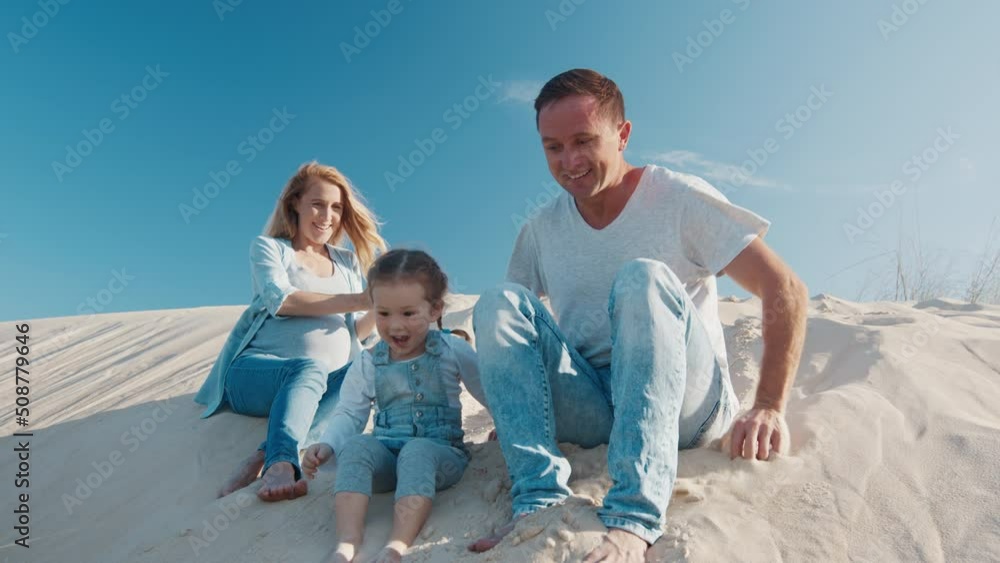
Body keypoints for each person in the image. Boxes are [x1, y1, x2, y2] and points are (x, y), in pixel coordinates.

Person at [468, 69, 808, 562]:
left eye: (584, 140)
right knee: (497, 300)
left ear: (623, 134)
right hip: (594, 405)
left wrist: (770, 404)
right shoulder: (541, 230)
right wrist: (517, 407)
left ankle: (635, 515)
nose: (570, 161)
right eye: (553, 147)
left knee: (641, 279)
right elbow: (513, 333)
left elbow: (786, 287)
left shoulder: (679, 197)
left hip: (686, 406)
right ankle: (537, 501)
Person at [194, 161, 387, 502]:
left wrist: (378, 305)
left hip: (319, 385)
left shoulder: (347, 262)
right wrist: (361, 296)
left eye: (337, 207)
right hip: (255, 373)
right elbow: (279, 300)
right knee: (308, 368)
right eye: (317, 203)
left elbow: (356, 332)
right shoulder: (270, 249)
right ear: (294, 203)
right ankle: (281, 463)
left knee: (369, 366)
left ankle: (262, 453)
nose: (327, 215)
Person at [301, 249, 485, 563]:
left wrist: (506, 429)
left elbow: (488, 391)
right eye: (383, 314)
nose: (395, 325)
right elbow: (350, 411)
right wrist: (329, 444)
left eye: (408, 313)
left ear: (434, 309)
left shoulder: (451, 349)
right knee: (357, 446)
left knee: (417, 451)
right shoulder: (369, 360)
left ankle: (396, 545)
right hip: (387, 459)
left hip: (442, 456)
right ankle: (346, 542)